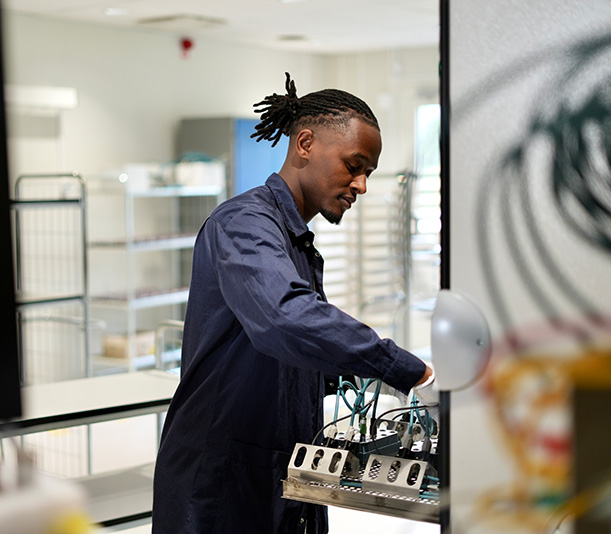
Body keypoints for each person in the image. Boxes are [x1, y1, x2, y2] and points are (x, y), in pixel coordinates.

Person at [152, 73, 437, 534]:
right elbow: (286, 320)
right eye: (354, 165)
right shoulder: (244, 224)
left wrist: (357, 381)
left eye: (368, 173)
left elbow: (289, 357)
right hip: (221, 486)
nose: (361, 185)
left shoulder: (295, 241)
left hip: (283, 475)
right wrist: (407, 370)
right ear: (305, 143)